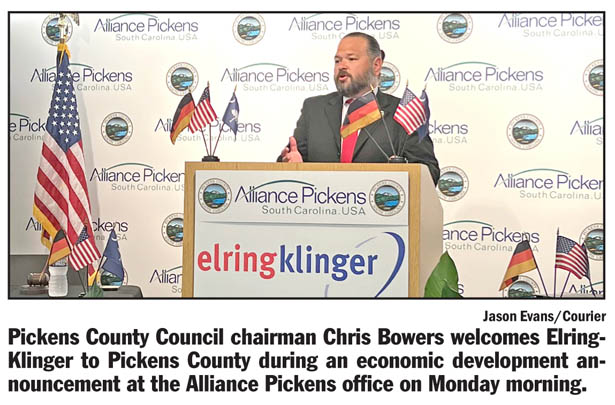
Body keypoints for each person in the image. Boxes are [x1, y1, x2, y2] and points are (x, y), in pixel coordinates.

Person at [278, 32, 440, 185]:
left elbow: (429, 172)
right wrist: (291, 165)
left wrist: (399, 175)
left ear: (376, 65)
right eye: (337, 61)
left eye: (351, 59)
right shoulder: (314, 109)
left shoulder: (404, 111)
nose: (342, 66)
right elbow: (289, 160)